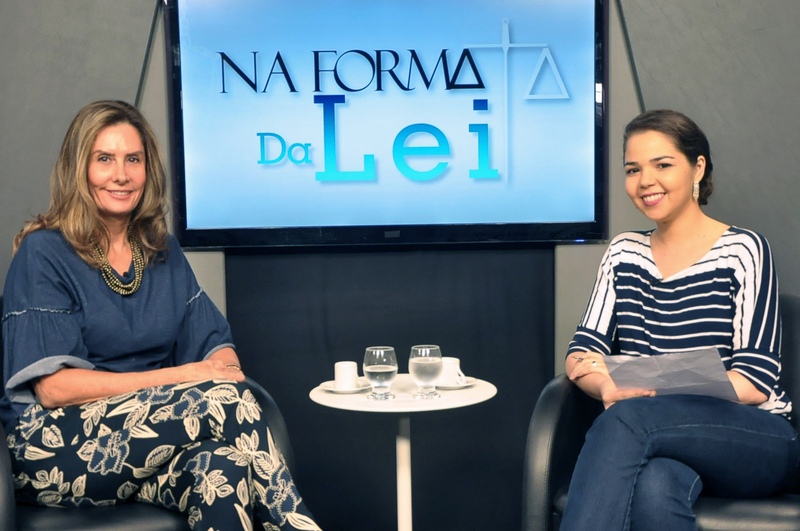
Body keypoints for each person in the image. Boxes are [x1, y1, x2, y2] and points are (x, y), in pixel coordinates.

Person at [0, 100, 322, 531]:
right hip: (54, 450)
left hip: (144, 448)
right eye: (104, 159)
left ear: (147, 169)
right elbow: (55, 389)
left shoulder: (161, 250)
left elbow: (218, 351)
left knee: (222, 467)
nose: (121, 174)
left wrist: (218, 370)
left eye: (133, 159)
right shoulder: (44, 252)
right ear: (79, 169)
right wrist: (185, 378)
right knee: (220, 399)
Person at [560, 109, 799, 530]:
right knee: (655, 486)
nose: (645, 181)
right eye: (633, 169)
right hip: (655, 434)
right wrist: (608, 386)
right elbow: (581, 355)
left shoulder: (743, 249)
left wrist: (633, 378)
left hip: (755, 437)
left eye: (663, 165)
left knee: (627, 418)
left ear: (697, 168)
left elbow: (753, 381)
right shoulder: (624, 252)